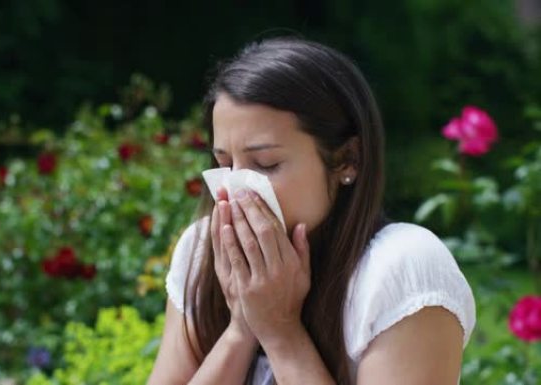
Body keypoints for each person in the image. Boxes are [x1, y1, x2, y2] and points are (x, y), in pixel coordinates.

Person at [147, 35, 476, 385]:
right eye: (224, 163)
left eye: (265, 164)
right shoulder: (201, 251)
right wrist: (241, 328)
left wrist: (280, 331)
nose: (237, 191)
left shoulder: (400, 269)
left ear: (347, 159)